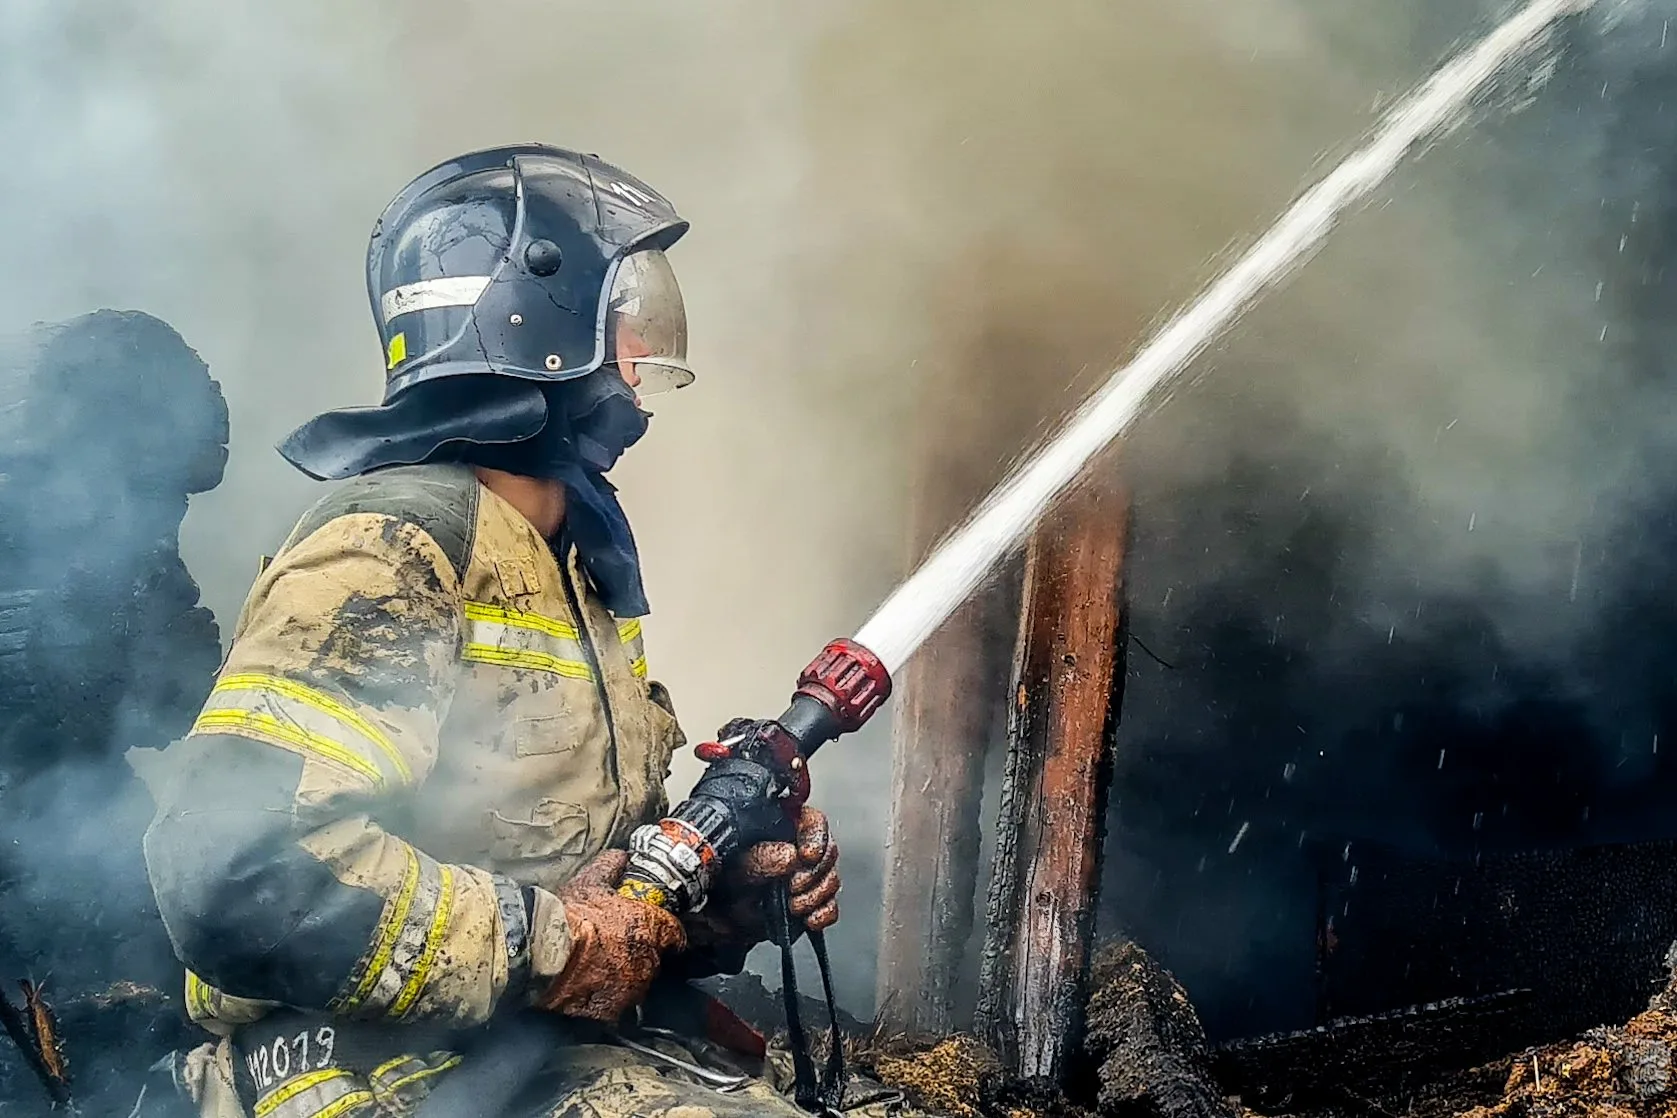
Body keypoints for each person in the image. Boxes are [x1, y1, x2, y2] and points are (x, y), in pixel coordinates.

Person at [134, 145, 851, 1118]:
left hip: (536, 1050)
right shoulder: (395, 543)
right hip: (363, 1070)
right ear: (538, 326)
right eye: (624, 322)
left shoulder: (571, 562)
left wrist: (719, 902)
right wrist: (554, 945)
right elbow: (235, 875)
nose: (640, 363)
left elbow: (576, 874)